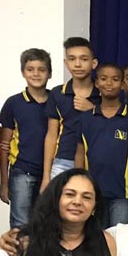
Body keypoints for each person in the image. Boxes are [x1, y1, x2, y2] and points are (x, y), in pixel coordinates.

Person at [75, 63, 128, 227]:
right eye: (104, 78)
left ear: (122, 84)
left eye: (115, 79)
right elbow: (79, 154)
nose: (109, 83)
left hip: (124, 193)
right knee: (95, 237)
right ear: (97, 83)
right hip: (92, 192)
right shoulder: (86, 118)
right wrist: (79, 184)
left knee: (119, 238)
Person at [0, 48, 52, 229]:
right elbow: (4, 145)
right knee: (20, 225)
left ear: (50, 73)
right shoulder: (13, 103)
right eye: (30, 69)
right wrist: (4, 183)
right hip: (22, 171)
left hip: (51, 173)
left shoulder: (56, 101)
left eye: (41, 69)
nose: (36, 74)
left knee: (47, 225)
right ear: (23, 72)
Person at [42, 37, 98, 189]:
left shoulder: (103, 92)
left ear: (94, 63)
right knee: (59, 202)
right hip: (63, 160)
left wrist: (93, 110)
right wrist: (46, 176)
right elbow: (51, 135)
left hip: (96, 160)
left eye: (84, 59)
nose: (77, 64)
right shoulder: (58, 93)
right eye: (72, 59)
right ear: (66, 63)